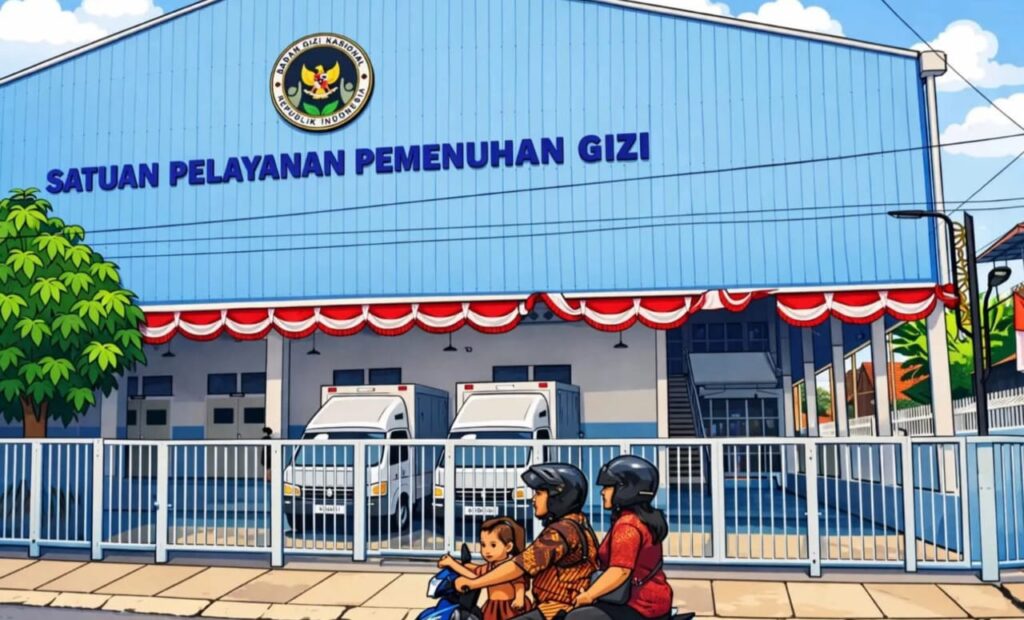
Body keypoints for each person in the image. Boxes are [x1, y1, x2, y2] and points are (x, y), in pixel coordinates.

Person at [454, 463, 599, 620]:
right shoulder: (577, 523)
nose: (533, 499)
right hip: (558, 606)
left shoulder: (561, 533)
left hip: (556, 609)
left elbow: (519, 566)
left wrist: (474, 584)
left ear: (558, 498)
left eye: (539, 493)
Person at [566, 456, 673, 620]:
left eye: (608, 487)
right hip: (651, 600)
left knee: (575, 618)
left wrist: (588, 595)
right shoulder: (643, 520)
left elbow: (620, 571)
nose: (602, 492)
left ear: (626, 489)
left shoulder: (628, 525)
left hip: (639, 605)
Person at [438, 517, 533, 620]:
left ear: (508, 547)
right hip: (492, 607)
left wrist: (519, 598)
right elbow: (475, 574)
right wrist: (453, 563)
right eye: (483, 545)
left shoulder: (511, 567)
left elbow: (519, 584)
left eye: (493, 545)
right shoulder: (489, 567)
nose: (487, 550)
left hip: (509, 608)